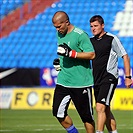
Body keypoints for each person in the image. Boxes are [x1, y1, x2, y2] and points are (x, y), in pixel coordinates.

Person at [52, 11, 95, 133]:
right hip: (63, 81)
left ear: (67, 22)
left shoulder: (80, 35)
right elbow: (63, 52)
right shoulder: (58, 33)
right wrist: (59, 64)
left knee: (87, 117)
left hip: (81, 82)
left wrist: (72, 54)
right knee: (57, 113)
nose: (57, 29)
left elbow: (92, 54)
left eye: (59, 26)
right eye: (55, 27)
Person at [89, 15, 133, 133]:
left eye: (96, 26)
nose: (93, 28)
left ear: (102, 26)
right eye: (91, 26)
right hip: (96, 80)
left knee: (100, 107)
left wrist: (128, 77)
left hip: (109, 77)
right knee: (105, 109)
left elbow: (125, 56)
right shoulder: (90, 41)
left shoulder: (111, 39)